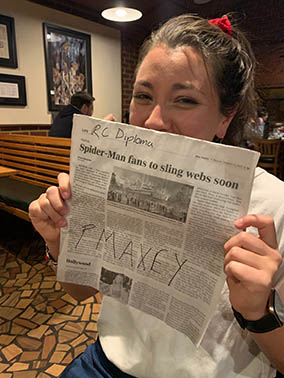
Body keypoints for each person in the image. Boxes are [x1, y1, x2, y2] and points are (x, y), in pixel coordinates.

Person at [29, 14, 284, 378]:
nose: (153, 121)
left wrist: (259, 313)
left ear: (225, 118)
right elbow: (80, 293)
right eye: (144, 96)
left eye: (184, 100)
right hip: (109, 363)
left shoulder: (274, 203)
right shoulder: (119, 179)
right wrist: (60, 243)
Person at [49, 91, 115, 138]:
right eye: (91, 108)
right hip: (65, 155)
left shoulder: (62, 114)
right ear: (84, 107)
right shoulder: (78, 119)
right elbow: (93, 133)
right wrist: (107, 120)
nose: (92, 112)